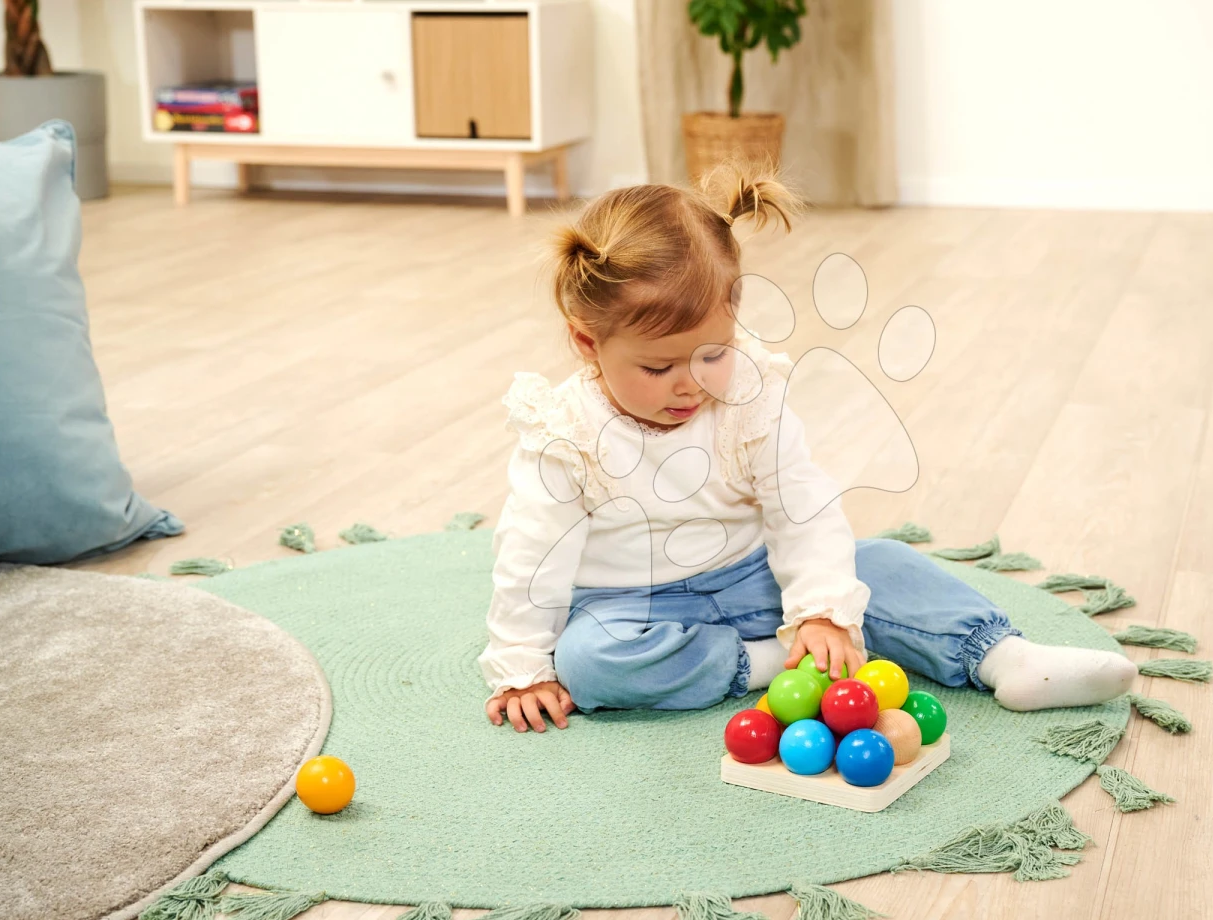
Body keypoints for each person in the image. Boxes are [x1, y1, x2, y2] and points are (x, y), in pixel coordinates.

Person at [479, 166, 1135, 733]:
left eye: (713, 354)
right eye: (658, 368)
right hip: (631, 609)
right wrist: (522, 668)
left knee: (881, 563)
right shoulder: (562, 432)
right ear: (588, 343)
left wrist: (821, 610)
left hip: (752, 576)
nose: (690, 384)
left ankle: (1001, 657)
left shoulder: (749, 398)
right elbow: (531, 559)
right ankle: (769, 662)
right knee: (588, 662)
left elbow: (802, 511)